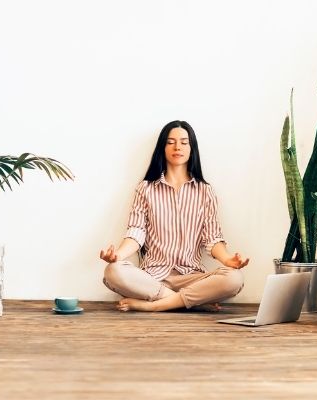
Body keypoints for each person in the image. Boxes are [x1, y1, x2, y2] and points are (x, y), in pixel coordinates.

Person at [100, 120, 249, 312]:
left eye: (184, 142)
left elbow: (212, 238)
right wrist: (117, 255)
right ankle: (189, 302)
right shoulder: (145, 189)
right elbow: (136, 232)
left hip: (192, 277)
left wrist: (228, 260)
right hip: (152, 278)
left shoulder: (205, 191)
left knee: (234, 278)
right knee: (113, 271)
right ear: (162, 148)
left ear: (191, 148)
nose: (177, 147)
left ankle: (153, 306)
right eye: (170, 142)